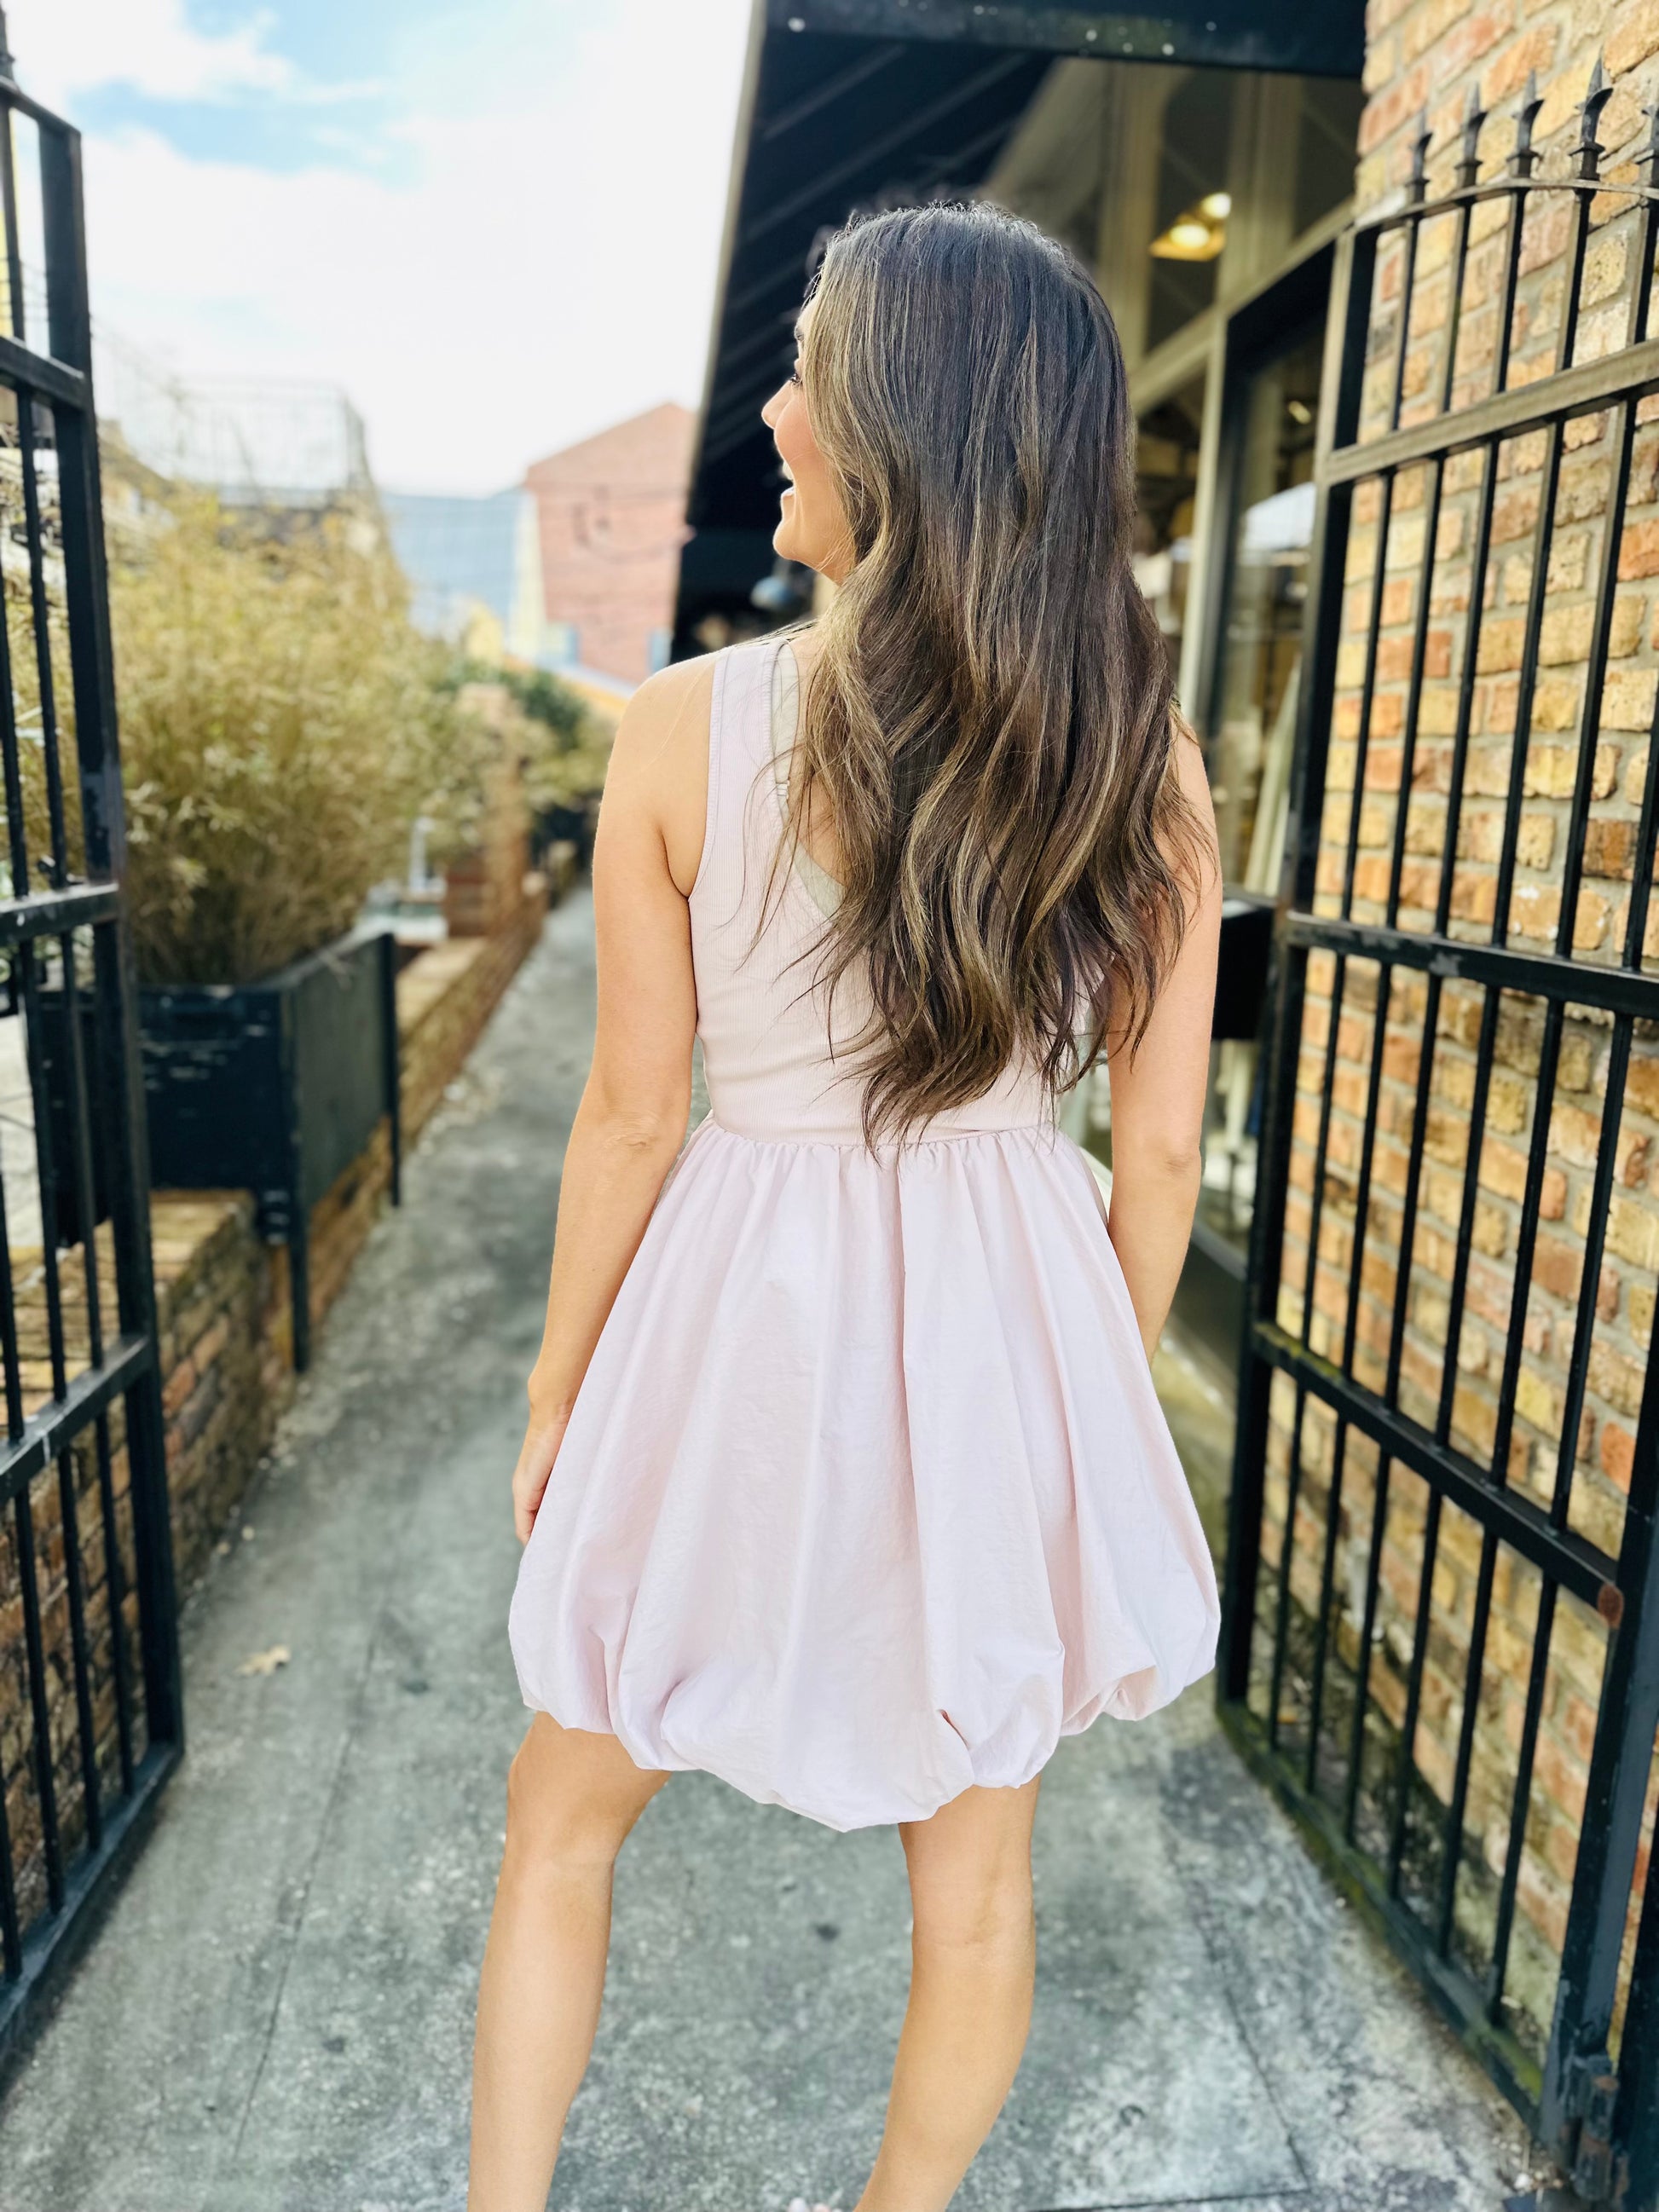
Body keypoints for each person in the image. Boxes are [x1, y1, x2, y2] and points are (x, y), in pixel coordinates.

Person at [470, 201, 1223, 2212]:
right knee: (973, 1882)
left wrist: (559, 1392)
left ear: (901, 422)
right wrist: (1084, 1406)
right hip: (1005, 1332)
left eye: (808, 373)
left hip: (734, 1318)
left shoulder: (680, 727)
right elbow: (1157, 1156)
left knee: (562, 1810)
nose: (774, 413)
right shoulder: (1140, 759)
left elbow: (634, 1115)